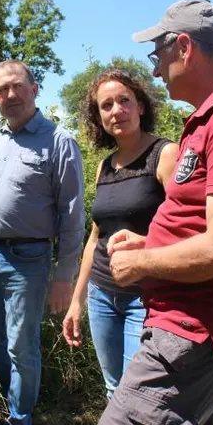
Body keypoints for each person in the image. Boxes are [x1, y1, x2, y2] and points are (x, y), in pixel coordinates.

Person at [97, 0, 213, 425]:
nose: (155, 69)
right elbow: (205, 224)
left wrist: (140, 263)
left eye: (158, 54)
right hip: (191, 325)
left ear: (185, 48)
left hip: (195, 331)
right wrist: (152, 242)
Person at [0, 60, 85, 425]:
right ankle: (13, 395)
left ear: (35, 89)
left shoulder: (59, 142)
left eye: (17, 86)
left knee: (21, 346)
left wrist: (64, 276)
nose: (10, 95)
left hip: (27, 260)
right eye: (2, 90)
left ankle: (19, 418)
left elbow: (73, 216)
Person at [61, 69, 178, 399]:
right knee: (114, 390)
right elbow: (95, 237)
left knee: (140, 395)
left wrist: (146, 247)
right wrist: (77, 300)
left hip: (147, 299)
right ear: (99, 117)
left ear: (141, 106)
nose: (116, 111)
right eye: (106, 105)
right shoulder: (105, 166)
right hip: (101, 296)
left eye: (124, 101)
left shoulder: (165, 155)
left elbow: (190, 226)